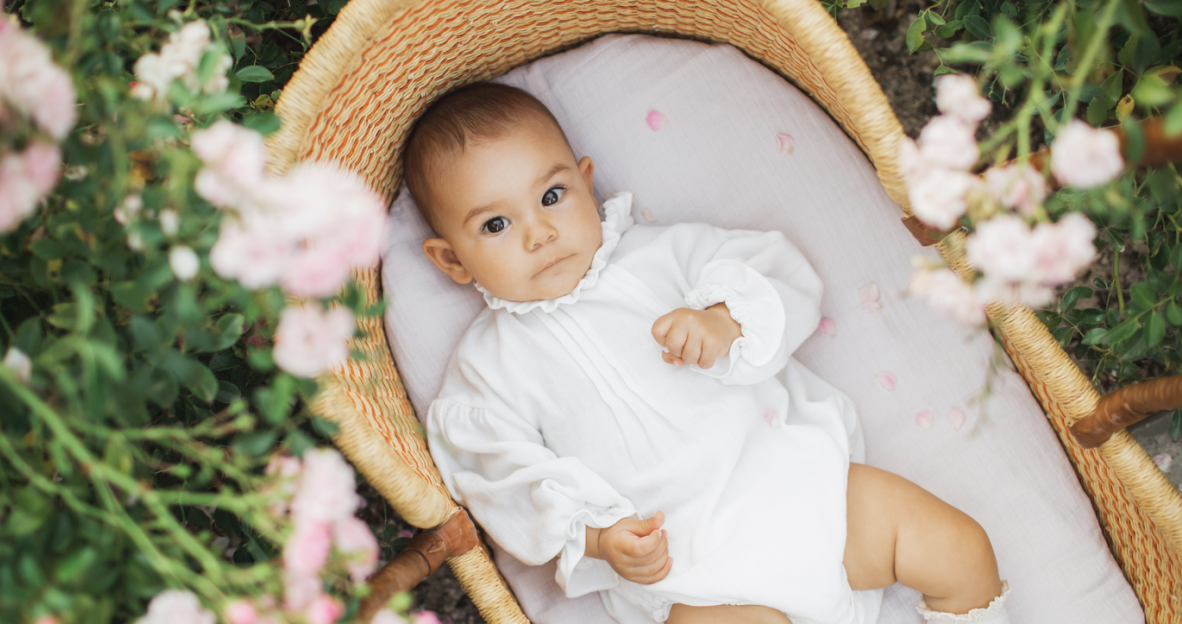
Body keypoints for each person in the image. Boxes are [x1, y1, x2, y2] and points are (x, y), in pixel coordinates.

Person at [405, 82, 1011, 624]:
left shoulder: (663, 255)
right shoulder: (488, 370)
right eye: (495, 226)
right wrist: (594, 535)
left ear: (588, 182)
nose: (540, 233)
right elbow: (496, 475)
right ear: (451, 259)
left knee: (960, 547)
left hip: (809, 486)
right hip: (696, 575)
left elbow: (777, 273)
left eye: (553, 195)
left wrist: (724, 319)